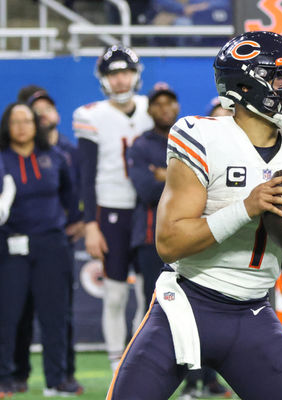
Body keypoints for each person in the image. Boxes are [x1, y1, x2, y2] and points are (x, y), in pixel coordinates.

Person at [106, 31, 282, 400]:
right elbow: (169, 243)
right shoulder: (202, 136)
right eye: (281, 78)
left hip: (254, 314)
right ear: (245, 85)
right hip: (188, 306)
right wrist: (246, 208)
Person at [127, 84, 232, 399]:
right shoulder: (141, 144)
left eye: (169, 102)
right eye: (157, 103)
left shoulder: (193, 141)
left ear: (177, 106)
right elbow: (147, 190)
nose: (164, 108)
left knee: (207, 306)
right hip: (152, 238)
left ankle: (208, 380)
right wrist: (186, 186)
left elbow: (208, 190)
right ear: (149, 109)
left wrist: (167, 177)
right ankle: (172, 381)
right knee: (161, 314)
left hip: (197, 236)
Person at [74, 44, 153, 372]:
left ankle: (141, 360)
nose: (121, 80)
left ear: (136, 75)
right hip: (112, 211)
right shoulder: (90, 114)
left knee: (149, 296)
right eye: (114, 74)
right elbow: (86, 174)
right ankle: (116, 366)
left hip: (149, 210)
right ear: (104, 79)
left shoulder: (154, 109)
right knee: (116, 294)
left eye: (125, 72)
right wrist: (90, 224)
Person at [6, 88, 85, 394]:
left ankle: (60, 378)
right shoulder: (2, 158)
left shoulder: (57, 155)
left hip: (52, 244)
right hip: (11, 246)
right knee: (12, 316)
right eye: (17, 121)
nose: (24, 126)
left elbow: (71, 194)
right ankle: (10, 376)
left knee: (57, 315)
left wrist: (76, 223)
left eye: (29, 120)